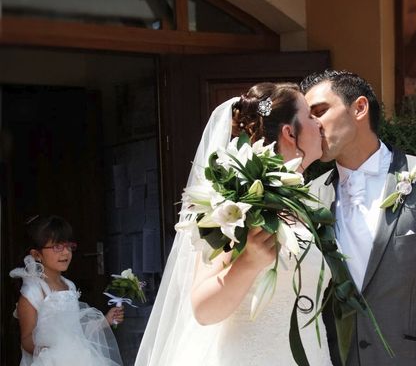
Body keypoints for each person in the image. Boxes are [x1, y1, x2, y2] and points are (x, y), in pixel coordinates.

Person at [135, 82, 331, 366]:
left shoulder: (309, 203)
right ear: (290, 132)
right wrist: (248, 263)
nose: (320, 125)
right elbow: (203, 309)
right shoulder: (235, 199)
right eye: (311, 117)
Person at [301, 70, 416, 365]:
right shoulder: (308, 197)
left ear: (359, 108)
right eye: (308, 120)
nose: (313, 126)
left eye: (320, 112)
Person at [10, 214, 123, 366]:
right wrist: (55, 354)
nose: (66, 252)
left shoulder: (69, 286)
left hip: (76, 357)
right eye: (57, 247)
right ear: (37, 255)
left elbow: (75, 328)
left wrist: (105, 320)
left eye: (69, 246)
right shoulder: (33, 291)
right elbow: (27, 340)